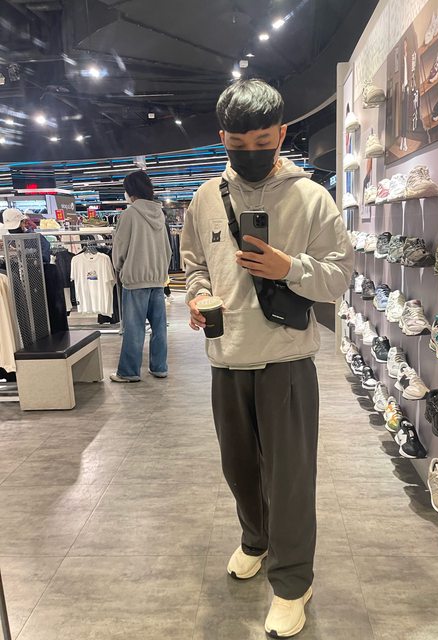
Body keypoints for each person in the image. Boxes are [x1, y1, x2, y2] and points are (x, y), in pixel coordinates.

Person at [181, 79, 353, 638]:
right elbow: (194, 263)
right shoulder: (205, 198)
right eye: (238, 143)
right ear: (222, 138)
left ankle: (293, 583)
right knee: (239, 469)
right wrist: (197, 295)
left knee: (291, 479)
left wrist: (291, 268)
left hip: (286, 362)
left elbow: (340, 278)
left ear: (281, 133)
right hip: (225, 359)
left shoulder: (312, 198)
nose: (250, 152)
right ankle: (255, 541)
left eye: (262, 141)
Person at [111, 170, 172, 382]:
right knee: (159, 327)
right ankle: (159, 367)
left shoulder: (129, 214)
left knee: (134, 329)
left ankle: (129, 372)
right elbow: (168, 249)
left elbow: (120, 248)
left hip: (135, 279)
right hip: (157, 278)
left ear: (130, 191)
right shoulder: (160, 214)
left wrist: (120, 268)